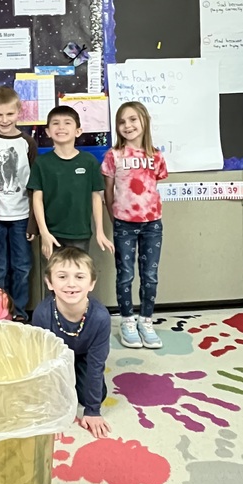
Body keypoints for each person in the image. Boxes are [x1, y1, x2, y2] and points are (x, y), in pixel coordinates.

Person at [102, 101, 168, 350]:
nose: (127, 125)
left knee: (150, 276)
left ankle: (146, 321)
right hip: (124, 224)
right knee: (126, 275)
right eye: (122, 121)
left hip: (152, 225)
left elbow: (153, 187)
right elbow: (108, 192)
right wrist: (114, 216)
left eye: (132, 120)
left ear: (144, 121)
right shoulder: (114, 155)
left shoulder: (156, 155)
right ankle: (127, 321)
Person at [31, 248, 111, 439]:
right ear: (49, 282)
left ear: (91, 283)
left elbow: (96, 365)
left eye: (79, 277)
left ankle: (75, 376)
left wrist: (92, 411)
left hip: (83, 356)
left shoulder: (100, 318)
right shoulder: (42, 314)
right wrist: (54, 413)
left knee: (96, 395)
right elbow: (44, 364)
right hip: (55, 358)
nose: (71, 284)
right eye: (62, 277)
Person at [27, 105, 114, 259]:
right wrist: (44, 233)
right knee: (55, 278)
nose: (61, 127)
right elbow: (37, 199)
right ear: (47, 132)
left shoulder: (89, 162)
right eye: (55, 123)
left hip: (80, 233)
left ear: (78, 131)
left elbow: (96, 198)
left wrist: (100, 231)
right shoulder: (42, 163)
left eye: (67, 123)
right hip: (52, 235)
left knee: (78, 275)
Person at [0, 85, 37, 321]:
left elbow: (35, 185)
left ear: (19, 112)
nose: (4, 120)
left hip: (21, 217)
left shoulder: (27, 143)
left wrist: (33, 223)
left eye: (9, 114)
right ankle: (0, 313)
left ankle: (20, 314)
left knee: (22, 267)